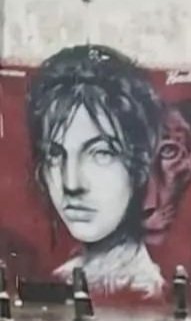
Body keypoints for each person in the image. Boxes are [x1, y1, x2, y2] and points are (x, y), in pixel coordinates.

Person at [26, 44, 165, 297]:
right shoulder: (67, 276)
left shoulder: (143, 290)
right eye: (55, 155)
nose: (71, 183)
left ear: (140, 165)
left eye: (101, 153)